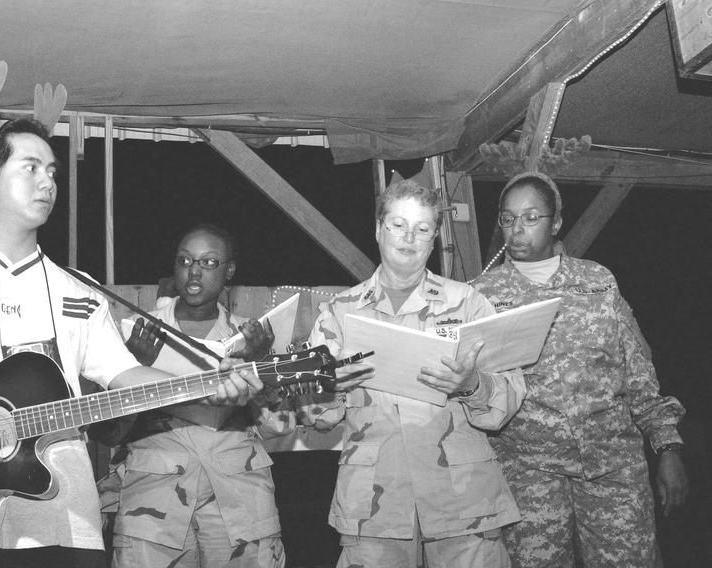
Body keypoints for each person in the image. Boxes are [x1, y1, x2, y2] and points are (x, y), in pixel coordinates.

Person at [0, 118, 262, 568]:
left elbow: (126, 376)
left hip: (65, 518)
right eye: (31, 167)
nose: (48, 182)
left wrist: (207, 383)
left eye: (53, 171)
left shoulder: (80, 290)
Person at [288, 179, 525, 568]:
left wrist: (472, 385)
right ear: (378, 229)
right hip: (374, 504)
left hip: (464, 501)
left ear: (434, 239)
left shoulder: (468, 303)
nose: (409, 237)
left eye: (423, 228)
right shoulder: (340, 311)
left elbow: (507, 400)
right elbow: (319, 418)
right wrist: (331, 390)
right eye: (398, 225)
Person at [472, 171, 688, 567]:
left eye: (531, 217)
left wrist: (668, 446)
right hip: (529, 473)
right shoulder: (480, 296)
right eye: (507, 218)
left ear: (555, 222)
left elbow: (637, 371)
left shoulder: (597, 281)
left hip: (612, 467)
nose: (517, 229)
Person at [109, 223, 286, 568]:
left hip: (240, 505)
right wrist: (133, 365)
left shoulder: (251, 337)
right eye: (185, 260)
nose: (193, 271)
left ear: (229, 271)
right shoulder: (139, 332)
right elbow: (108, 432)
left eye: (208, 262)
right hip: (153, 507)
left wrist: (261, 363)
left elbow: (281, 425)